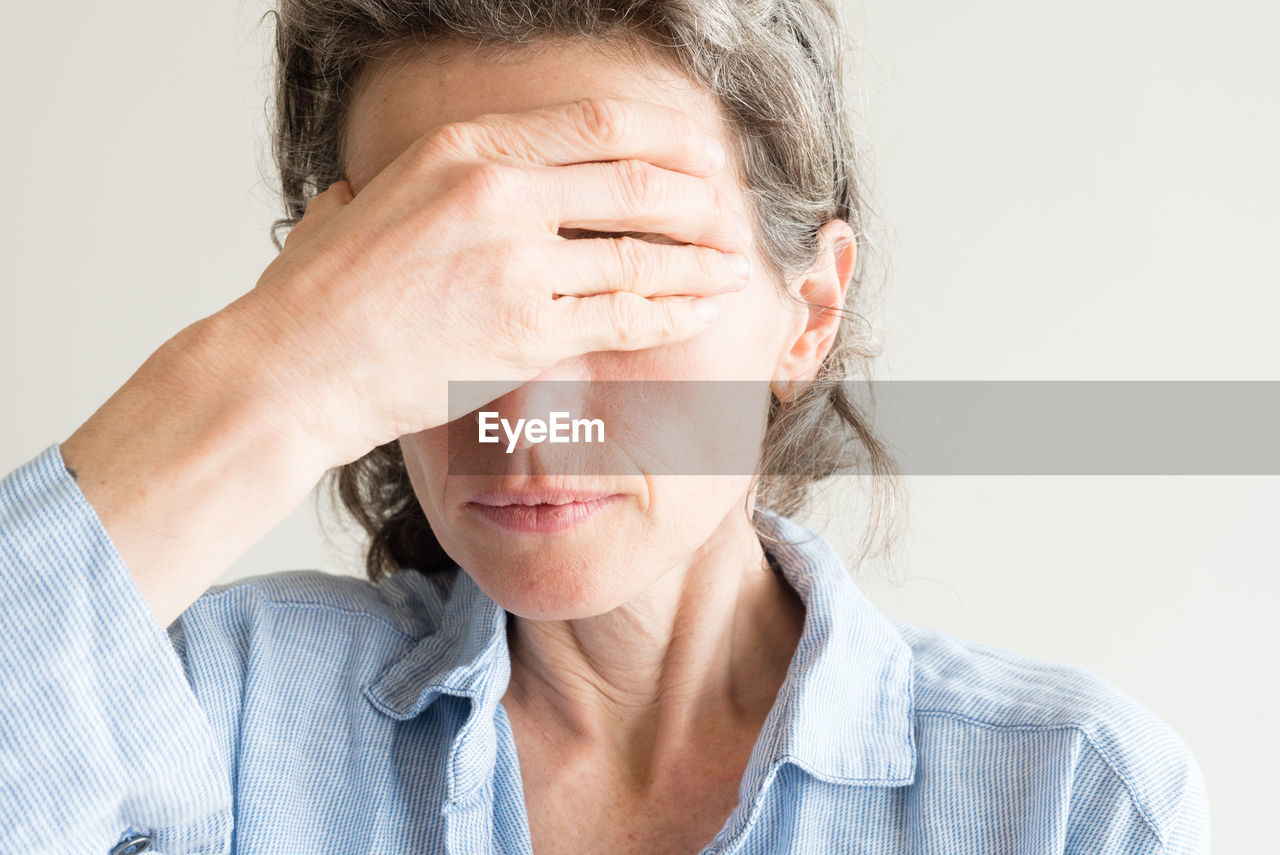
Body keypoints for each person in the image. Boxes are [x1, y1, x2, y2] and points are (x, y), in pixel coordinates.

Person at [0, 1, 1209, 853]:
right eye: (439, 289)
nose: (527, 406)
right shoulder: (212, 716)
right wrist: (273, 374)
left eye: (619, 272)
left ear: (807, 311)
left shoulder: (1066, 803)